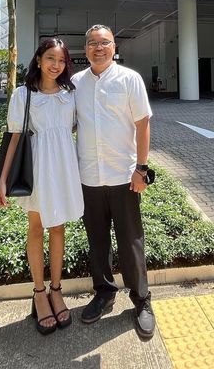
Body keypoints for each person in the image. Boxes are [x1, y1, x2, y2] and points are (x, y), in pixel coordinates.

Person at [72, 24, 155, 339]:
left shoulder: (129, 79)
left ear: (114, 46)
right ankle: (104, 293)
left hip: (124, 176)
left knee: (131, 241)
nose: (98, 47)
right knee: (97, 241)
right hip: (89, 177)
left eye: (103, 42)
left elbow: (143, 124)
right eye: (92, 43)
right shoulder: (76, 83)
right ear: (85, 48)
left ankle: (142, 300)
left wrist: (142, 168)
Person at [0, 37, 83, 336]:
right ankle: (38, 293)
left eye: (61, 61)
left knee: (58, 228)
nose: (55, 65)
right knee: (36, 227)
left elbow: (78, 127)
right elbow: (15, 138)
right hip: (38, 168)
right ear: (38, 60)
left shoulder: (70, 94)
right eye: (50, 58)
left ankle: (56, 290)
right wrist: (3, 180)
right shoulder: (23, 95)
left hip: (64, 166)